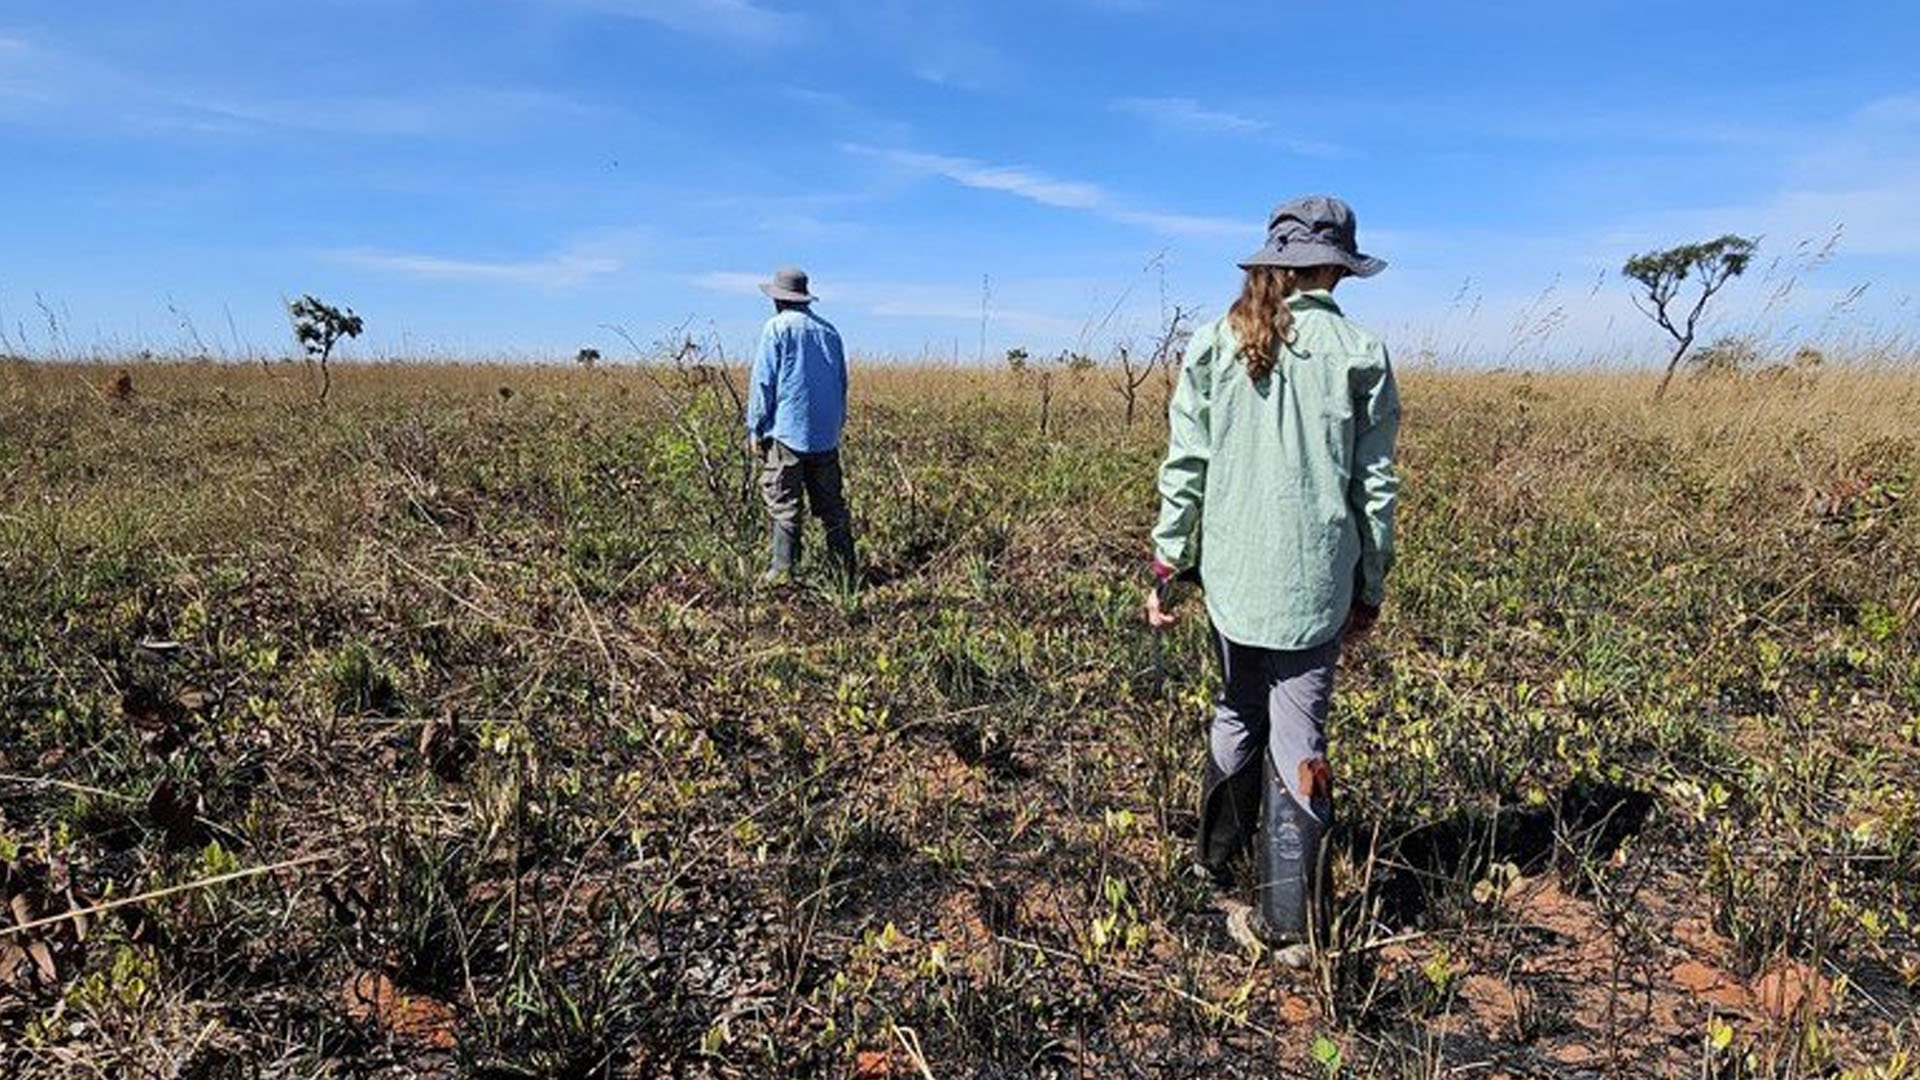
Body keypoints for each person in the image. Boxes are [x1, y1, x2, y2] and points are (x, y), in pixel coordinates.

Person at [1145, 196, 1400, 967]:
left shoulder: (1213, 342)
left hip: (1232, 574)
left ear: (1276, 260)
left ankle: (1213, 863)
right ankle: (1287, 922)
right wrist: (1371, 585)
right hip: (1318, 582)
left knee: (1234, 710)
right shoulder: (1362, 351)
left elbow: (1185, 465)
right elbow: (1375, 488)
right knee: (1301, 734)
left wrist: (1168, 563)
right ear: (1338, 267)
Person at [745, 266, 857, 584]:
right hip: (825, 436)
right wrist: (836, 426)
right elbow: (841, 384)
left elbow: (763, 383)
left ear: (778, 300)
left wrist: (755, 428)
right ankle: (845, 574)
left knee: (784, 505)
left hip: (786, 433)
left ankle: (783, 574)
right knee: (832, 508)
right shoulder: (830, 332)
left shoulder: (776, 328)